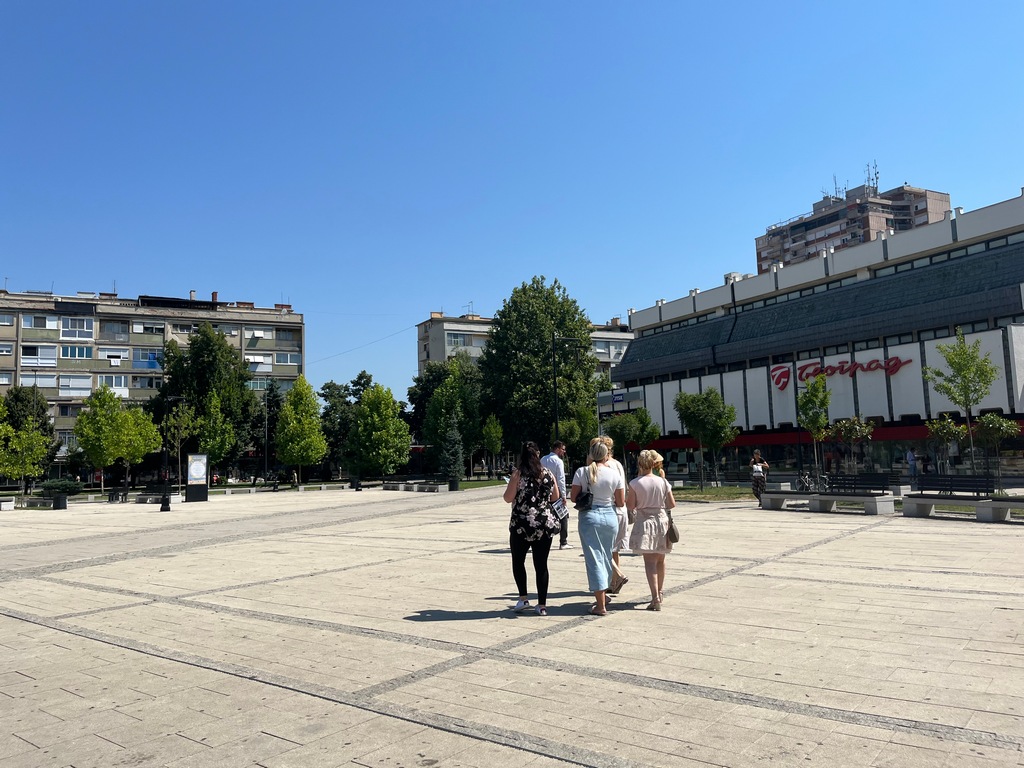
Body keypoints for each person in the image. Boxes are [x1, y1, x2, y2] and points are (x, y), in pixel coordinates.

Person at [502, 441, 562, 616]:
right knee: (541, 565)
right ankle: (542, 605)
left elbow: (508, 498)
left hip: (521, 524)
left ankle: (523, 598)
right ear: (538, 454)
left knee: (518, 561)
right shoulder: (548, 474)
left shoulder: (518, 474)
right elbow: (555, 497)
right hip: (544, 524)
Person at [570, 440, 625, 616]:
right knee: (607, 555)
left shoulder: (582, 472)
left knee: (594, 558)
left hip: (590, 516)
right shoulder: (614, 474)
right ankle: (604, 595)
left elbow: (573, 497)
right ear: (607, 454)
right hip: (610, 516)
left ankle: (601, 605)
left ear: (591, 454)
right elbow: (621, 501)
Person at [627, 449, 676, 611]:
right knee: (661, 560)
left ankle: (654, 597)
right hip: (661, 521)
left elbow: (631, 506)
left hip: (645, 522)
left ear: (640, 464)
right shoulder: (663, 481)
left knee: (649, 562)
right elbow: (671, 504)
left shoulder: (635, 483)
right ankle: (660, 593)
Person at [596, 436, 630, 594]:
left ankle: (617, 575)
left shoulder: (605, 466)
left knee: (603, 549)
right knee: (614, 549)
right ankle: (613, 582)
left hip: (610, 509)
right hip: (621, 510)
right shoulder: (618, 464)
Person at [541, 441, 572, 549]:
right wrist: (563, 495)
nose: (564, 451)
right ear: (558, 449)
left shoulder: (543, 459)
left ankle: (543, 539)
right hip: (556, 491)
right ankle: (563, 542)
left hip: (544, 491)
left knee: (545, 514)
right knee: (562, 515)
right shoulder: (558, 461)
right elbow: (561, 479)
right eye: (563, 449)